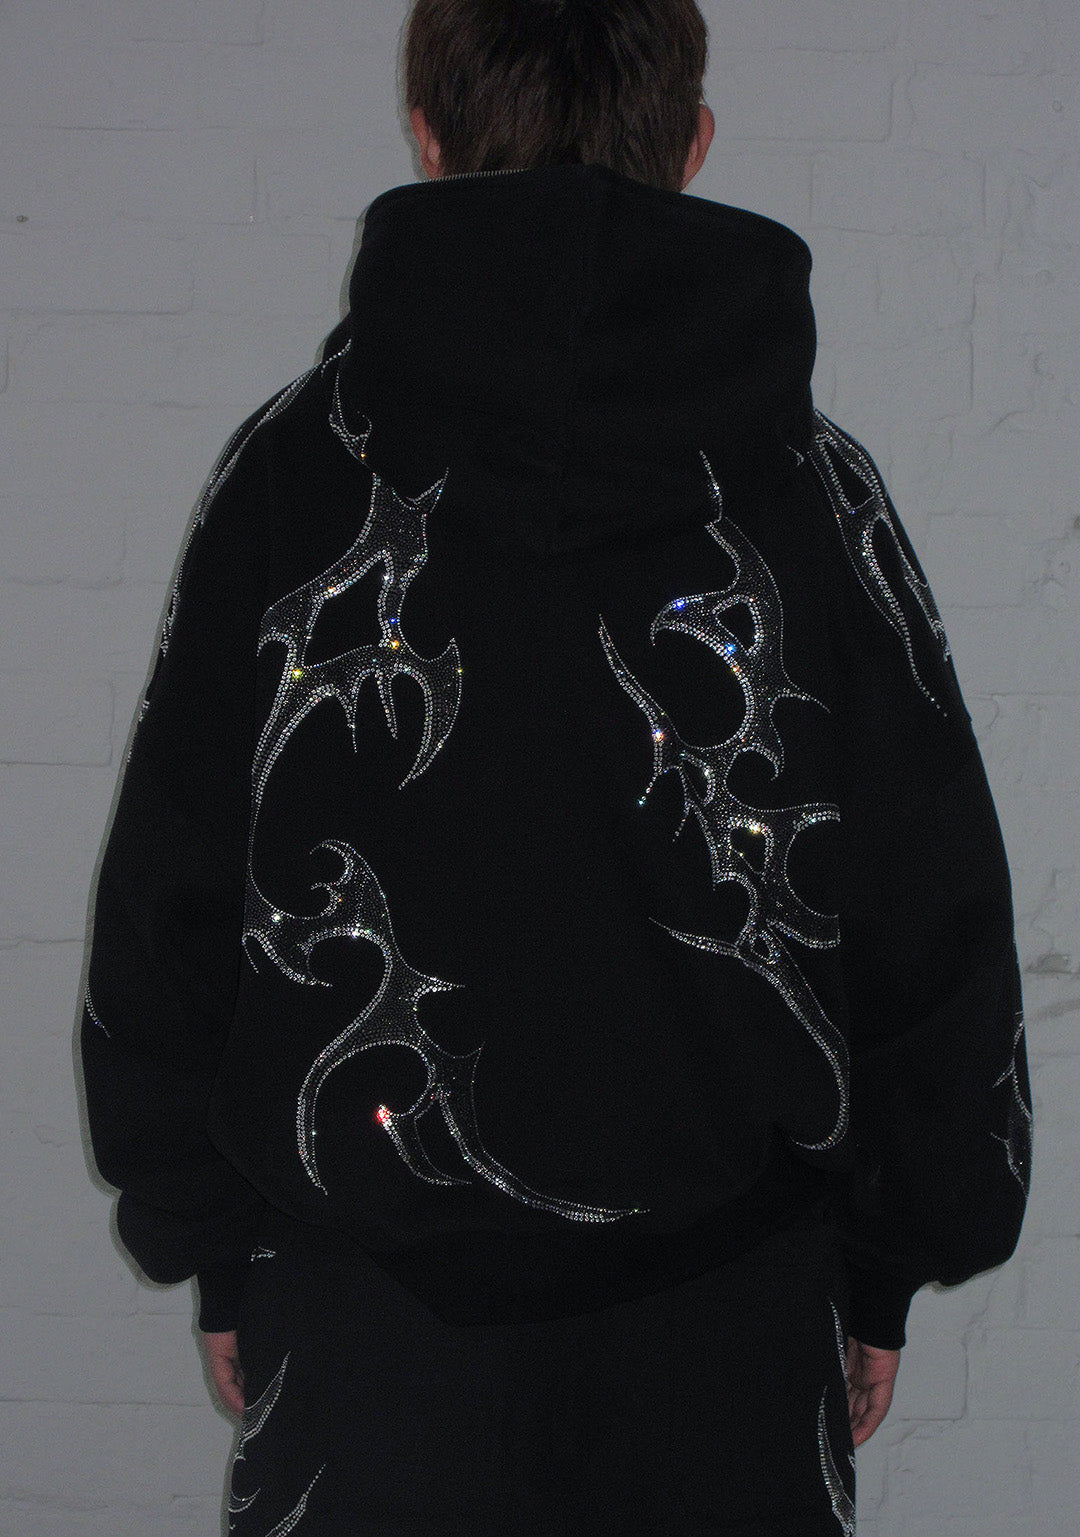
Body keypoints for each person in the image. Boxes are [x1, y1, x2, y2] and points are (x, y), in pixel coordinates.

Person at [79, 1, 1032, 1531]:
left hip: (368, 1333)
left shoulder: (293, 475)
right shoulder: (811, 489)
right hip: (730, 1333)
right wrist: (891, 1257)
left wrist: (210, 1237)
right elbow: (931, 908)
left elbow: (171, 896)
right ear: (695, 146)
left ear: (430, 137)